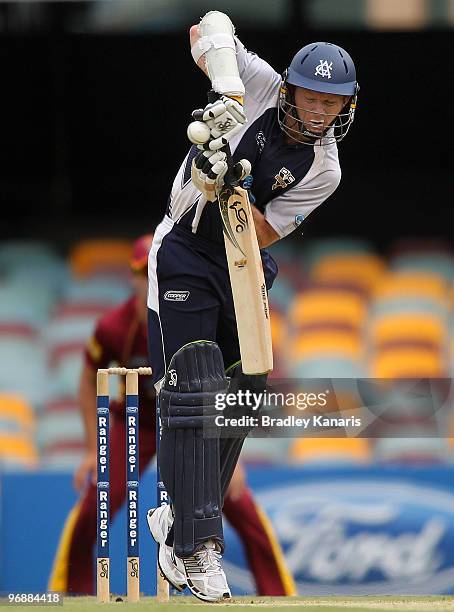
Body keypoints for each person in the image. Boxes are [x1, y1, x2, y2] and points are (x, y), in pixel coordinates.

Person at [146, 9, 359, 602]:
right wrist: (226, 91)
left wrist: (227, 183)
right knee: (197, 381)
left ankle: (183, 516)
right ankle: (198, 540)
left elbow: (260, 233)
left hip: (241, 256)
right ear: (290, 87)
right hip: (187, 245)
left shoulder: (324, 170)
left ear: (346, 107)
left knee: (247, 388)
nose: (319, 110)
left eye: (332, 102)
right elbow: (205, 26)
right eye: (311, 96)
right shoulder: (259, 83)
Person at [48, 234, 295, 598]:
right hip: (140, 423)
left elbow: (229, 380)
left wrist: (227, 454)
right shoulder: (114, 328)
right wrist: (91, 449)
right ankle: (68, 594)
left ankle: (280, 596)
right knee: (96, 504)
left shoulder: (200, 309)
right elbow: (89, 378)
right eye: (140, 274)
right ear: (136, 278)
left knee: (240, 506)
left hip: (197, 422)